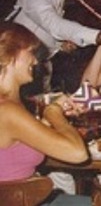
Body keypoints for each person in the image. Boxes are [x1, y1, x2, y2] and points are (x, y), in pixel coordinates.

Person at [0, 22, 90, 204]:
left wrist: (51, 120)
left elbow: (16, 141)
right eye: (30, 52)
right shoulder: (8, 110)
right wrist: (53, 113)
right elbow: (77, 154)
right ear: (11, 55)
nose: (35, 61)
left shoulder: (9, 106)